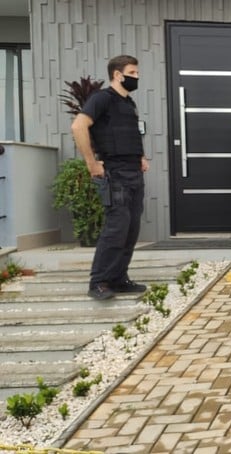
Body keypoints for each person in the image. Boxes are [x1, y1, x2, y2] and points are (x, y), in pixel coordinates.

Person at [71, 55, 149, 301]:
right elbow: (78, 126)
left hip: (134, 171)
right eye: (133, 73)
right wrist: (91, 163)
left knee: (131, 229)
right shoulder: (102, 98)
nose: (136, 77)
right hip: (115, 173)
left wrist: (141, 156)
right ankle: (99, 281)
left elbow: (130, 134)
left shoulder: (129, 103)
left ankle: (118, 278)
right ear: (118, 74)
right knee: (116, 228)